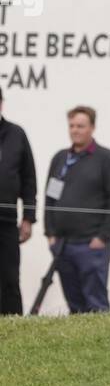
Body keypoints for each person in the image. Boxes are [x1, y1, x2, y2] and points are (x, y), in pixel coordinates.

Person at [44, 106, 110, 313]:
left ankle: (100, 344)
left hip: (91, 245)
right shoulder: (60, 159)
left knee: (96, 304)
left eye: (80, 126)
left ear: (92, 128)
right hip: (63, 245)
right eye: (71, 126)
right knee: (75, 305)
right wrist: (50, 234)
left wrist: (103, 236)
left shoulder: (105, 158)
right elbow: (50, 197)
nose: (75, 130)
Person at [0, 87, 37, 314]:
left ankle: (13, 326)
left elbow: (29, 179)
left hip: (6, 223)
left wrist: (29, 218)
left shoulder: (16, 134)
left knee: (9, 278)